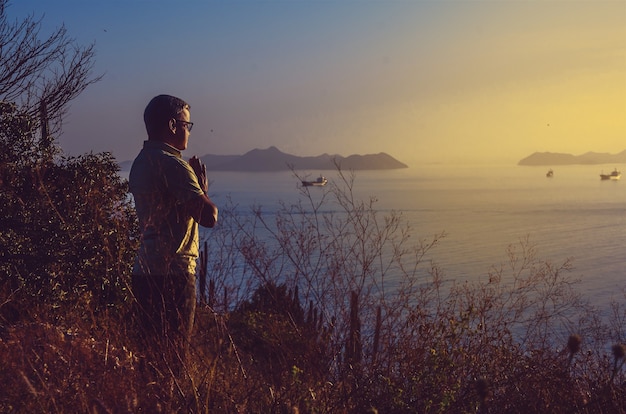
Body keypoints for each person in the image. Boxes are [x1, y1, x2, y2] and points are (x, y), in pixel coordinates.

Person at [129, 94, 218, 364]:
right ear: (172, 125)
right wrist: (202, 188)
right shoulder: (174, 165)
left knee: (150, 358)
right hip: (174, 272)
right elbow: (208, 216)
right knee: (173, 360)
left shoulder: (141, 162)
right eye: (186, 125)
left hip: (144, 270)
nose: (187, 131)